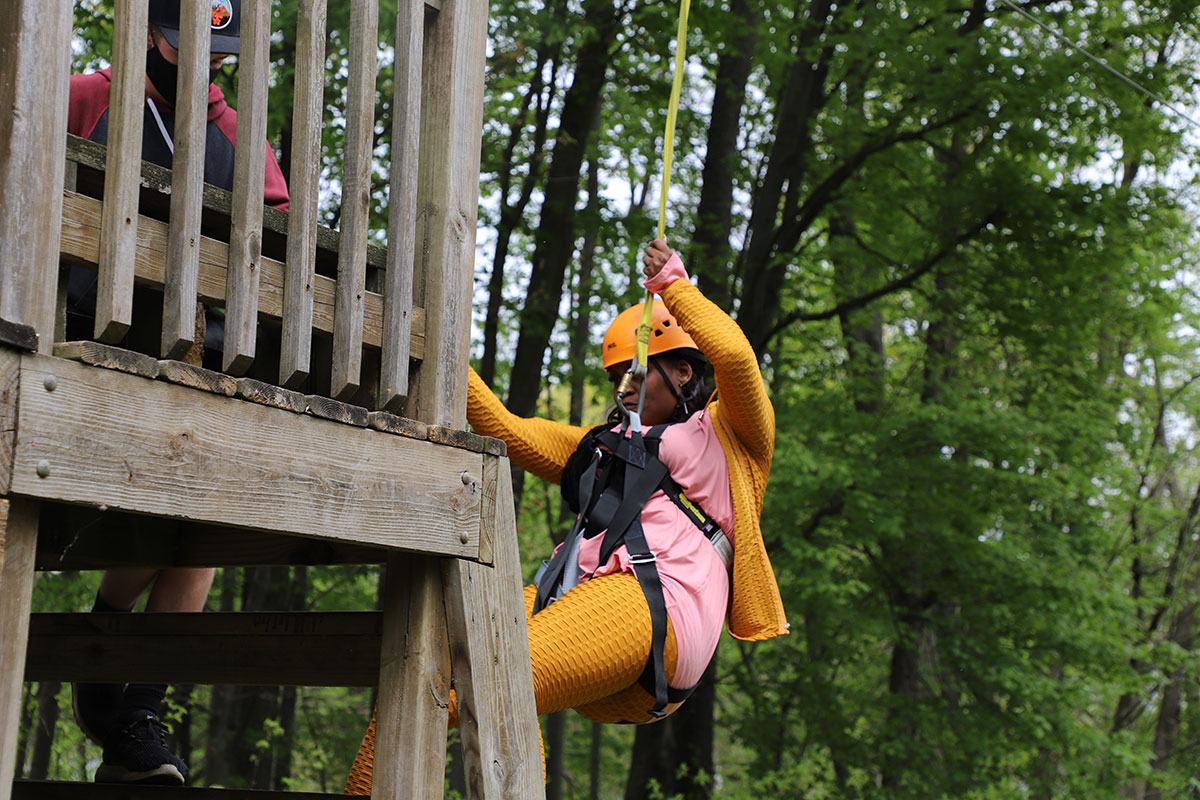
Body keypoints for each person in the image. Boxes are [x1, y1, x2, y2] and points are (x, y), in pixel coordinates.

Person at [343, 239, 788, 793]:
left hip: (659, 604)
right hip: (591, 607)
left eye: (637, 371)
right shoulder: (602, 446)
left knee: (476, 684)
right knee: (420, 674)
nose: (624, 387)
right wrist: (424, 337)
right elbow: (507, 429)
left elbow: (739, 360)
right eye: (618, 377)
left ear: (683, 372)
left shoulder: (733, 436)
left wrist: (673, 283)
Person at [66, 0, 290, 786]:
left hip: (203, 366)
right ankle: (108, 655)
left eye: (218, 48)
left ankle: (134, 705)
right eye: (184, 41)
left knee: (207, 509)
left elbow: (282, 253)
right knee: (178, 513)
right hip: (88, 343)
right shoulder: (85, 99)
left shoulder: (239, 139)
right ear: (147, 34)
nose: (206, 60)